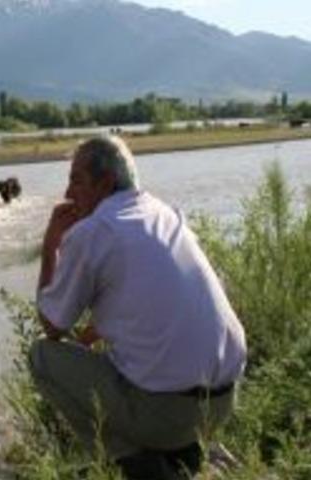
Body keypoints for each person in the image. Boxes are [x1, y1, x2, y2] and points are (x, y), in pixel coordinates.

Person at [30, 135, 247, 479]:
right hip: (222, 402)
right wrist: (90, 337)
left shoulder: (94, 230)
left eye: (76, 181)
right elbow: (150, 299)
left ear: (104, 183)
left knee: (42, 357)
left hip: (170, 413)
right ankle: (182, 454)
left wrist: (51, 243)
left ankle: (137, 464)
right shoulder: (166, 214)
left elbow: (52, 325)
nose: (68, 194)